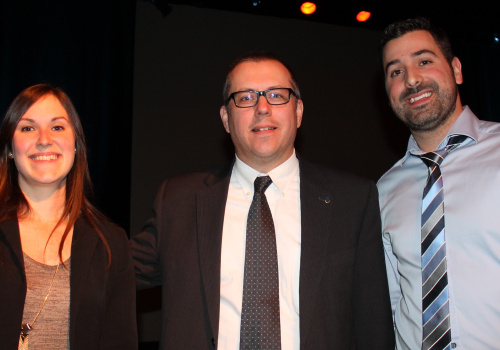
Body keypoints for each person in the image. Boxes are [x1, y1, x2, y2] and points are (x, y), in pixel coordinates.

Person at [131, 52, 394, 349]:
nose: (262, 108)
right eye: (245, 98)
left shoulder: (353, 201)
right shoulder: (178, 201)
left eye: (276, 95)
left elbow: (373, 325)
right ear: (226, 118)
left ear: (298, 111)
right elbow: (106, 270)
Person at [378, 17, 500, 350]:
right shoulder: (383, 192)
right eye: (396, 72)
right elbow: (390, 306)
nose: (412, 79)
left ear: (456, 70)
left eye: (424, 61)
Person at [0, 84, 137, 349]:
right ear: (9, 148)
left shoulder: (110, 243)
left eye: (57, 127)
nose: (43, 139)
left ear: (76, 145)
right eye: (28, 127)